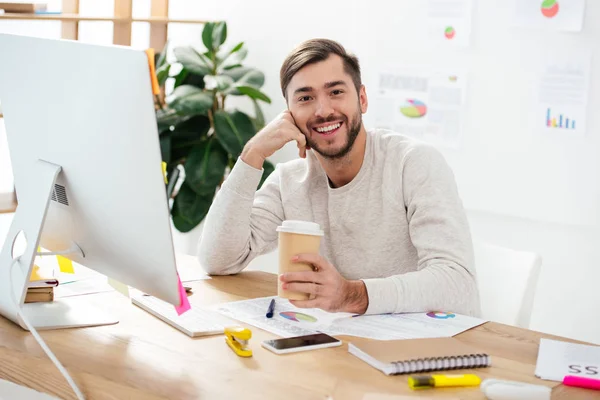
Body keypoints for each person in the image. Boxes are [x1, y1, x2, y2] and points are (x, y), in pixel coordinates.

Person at [198, 38, 480, 316]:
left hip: (427, 349)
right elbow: (218, 260)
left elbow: (458, 284)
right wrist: (252, 154)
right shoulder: (291, 180)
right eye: (305, 98)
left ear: (362, 99)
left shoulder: (413, 163)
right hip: (346, 345)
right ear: (289, 115)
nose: (323, 110)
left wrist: (351, 295)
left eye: (335, 92)